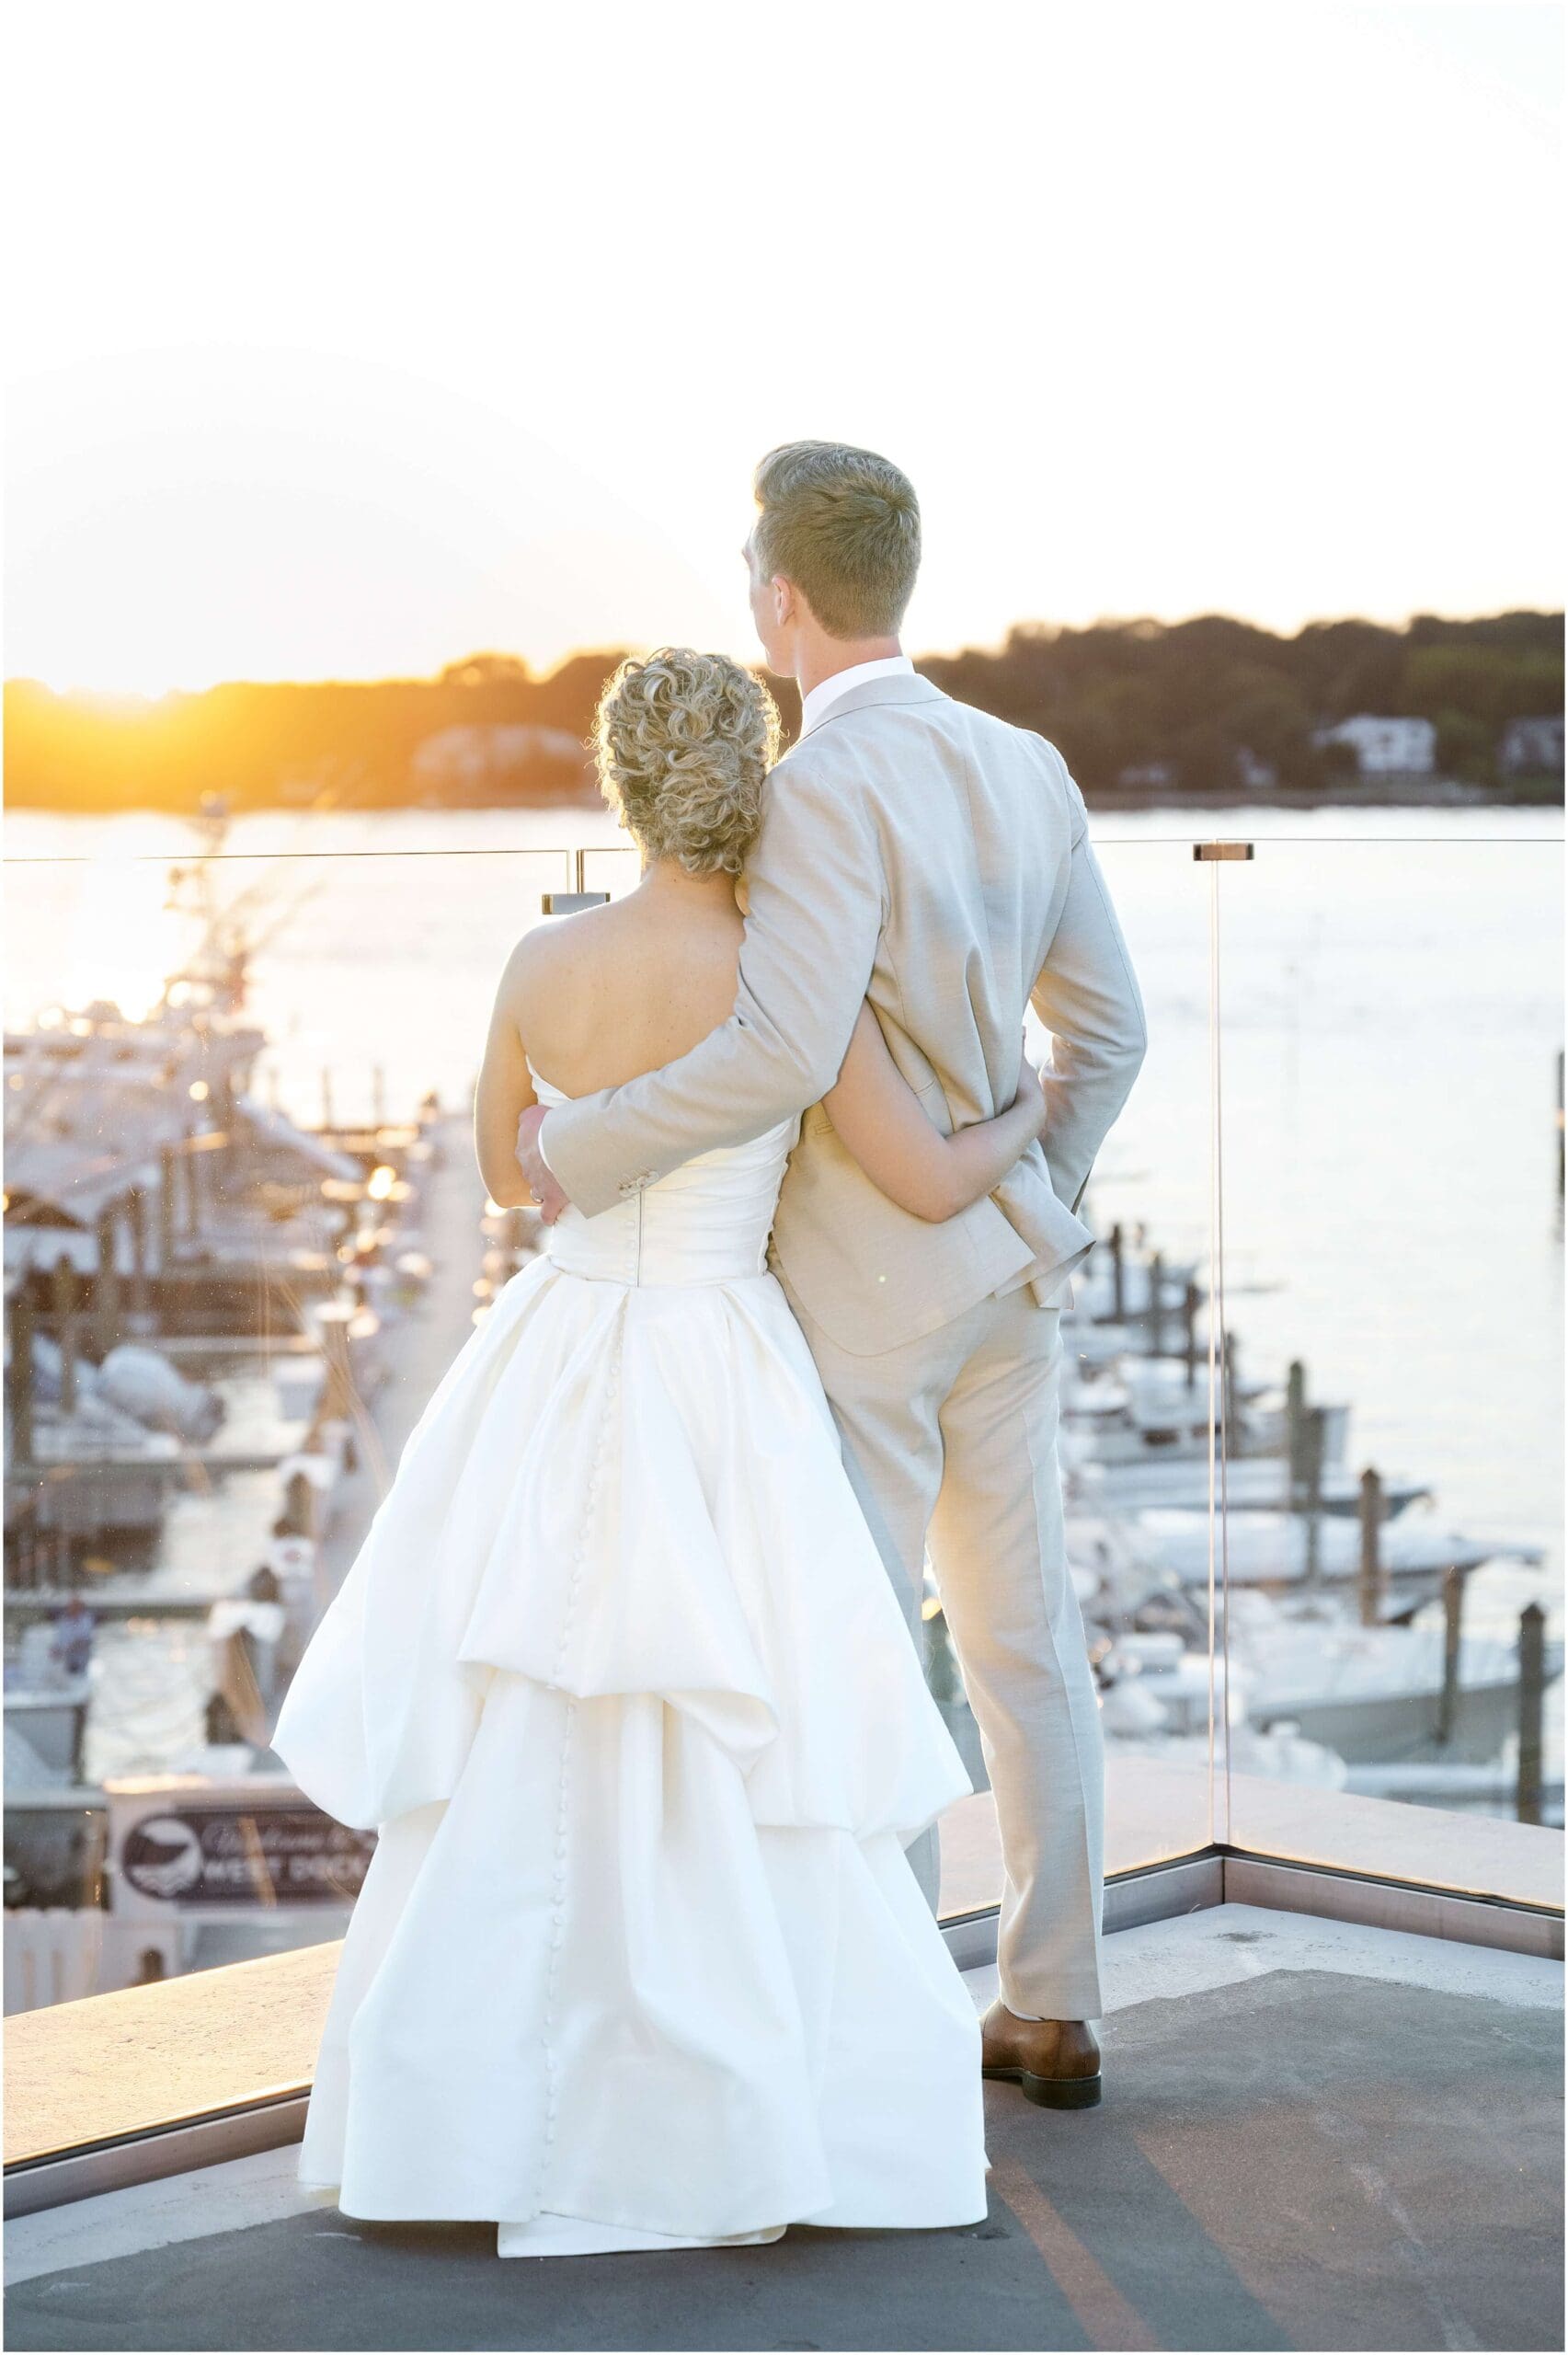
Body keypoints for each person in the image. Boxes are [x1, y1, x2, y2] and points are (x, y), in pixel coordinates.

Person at [272, 646, 1058, 2257]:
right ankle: (739, 2126)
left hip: (563, 1346)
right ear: (751, 783)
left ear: (619, 785)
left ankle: (474, 2127)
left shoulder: (536, 960)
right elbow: (915, 1181)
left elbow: (505, 1176)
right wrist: (1031, 1118)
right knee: (734, 1741)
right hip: (723, 1356)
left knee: (528, 1714)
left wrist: (582, 1137)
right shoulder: (791, 965)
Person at [520, 441, 1148, 2114]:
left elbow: (782, 1047)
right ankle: (1055, 2006)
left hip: (866, 1300)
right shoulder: (1024, 762)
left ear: (782, 597)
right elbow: (1113, 1033)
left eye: (750, 584)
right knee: (1027, 1643)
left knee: (864, 1654)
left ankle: (881, 2020)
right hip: (1009, 1275)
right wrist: (1027, 1186)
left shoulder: (811, 794)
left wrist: (584, 1144)